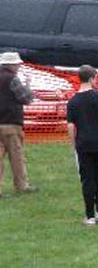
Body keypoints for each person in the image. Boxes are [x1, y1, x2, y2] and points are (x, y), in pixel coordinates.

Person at [66, 65, 98, 226]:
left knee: (87, 180)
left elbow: (70, 126)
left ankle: (89, 216)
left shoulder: (73, 101)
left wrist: (73, 145)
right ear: (91, 78)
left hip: (83, 144)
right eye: (96, 78)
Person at [0, 51, 35, 198]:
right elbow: (26, 98)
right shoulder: (12, 79)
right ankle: (21, 186)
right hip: (11, 123)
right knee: (17, 156)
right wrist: (27, 85)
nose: (19, 66)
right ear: (12, 65)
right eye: (17, 64)